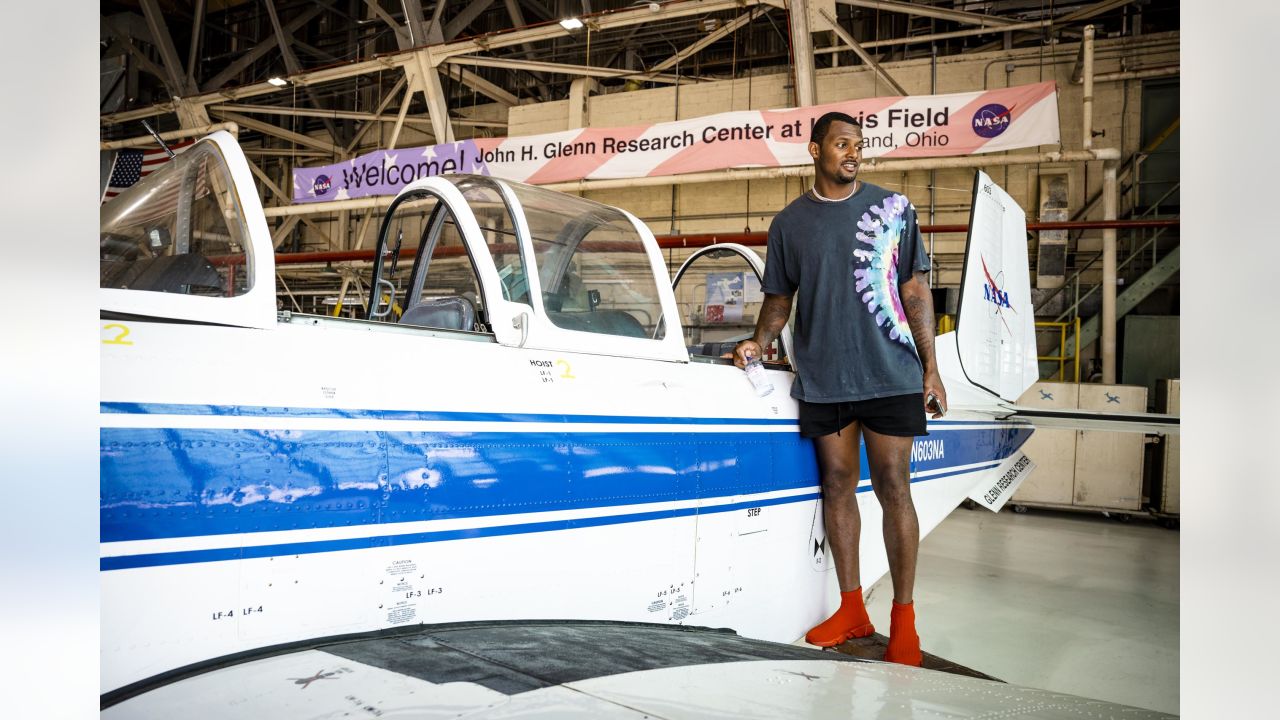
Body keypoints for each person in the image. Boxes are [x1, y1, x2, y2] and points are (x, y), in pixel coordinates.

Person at [732, 111, 946, 666]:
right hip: (824, 378)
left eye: (859, 144)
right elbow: (780, 298)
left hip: (890, 371)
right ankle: (852, 610)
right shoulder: (789, 224)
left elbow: (913, 287)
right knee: (837, 485)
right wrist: (759, 341)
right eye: (842, 143)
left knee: (894, 487)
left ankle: (904, 622)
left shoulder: (895, 210)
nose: (853, 152)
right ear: (815, 150)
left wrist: (931, 366)